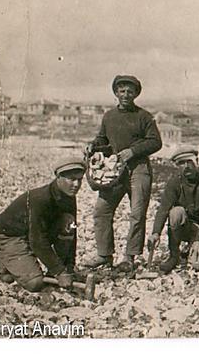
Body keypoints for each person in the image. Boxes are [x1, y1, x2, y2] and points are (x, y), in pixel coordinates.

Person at [84, 75, 162, 272]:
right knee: (102, 210)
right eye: (122, 91)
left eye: (130, 91)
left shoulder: (144, 116)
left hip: (139, 169)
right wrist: (93, 145)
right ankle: (104, 255)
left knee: (137, 213)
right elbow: (103, 139)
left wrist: (133, 151)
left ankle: (130, 256)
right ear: (116, 93)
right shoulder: (109, 116)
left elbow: (155, 142)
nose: (126, 95)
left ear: (136, 94)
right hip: (114, 169)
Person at [0, 157, 86, 292]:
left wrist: (69, 266)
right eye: (71, 179)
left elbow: (71, 231)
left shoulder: (69, 197)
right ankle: (9, 261)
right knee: (35, 283)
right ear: (58, 177)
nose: (76, 184)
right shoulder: (41, 199)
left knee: (68, 222)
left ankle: (23, 262)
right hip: (11, 236)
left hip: (34, 233)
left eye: (80, 179)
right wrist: (59, 271)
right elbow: (37, 240)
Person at [147, 146, 199, 274]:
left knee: (198, 264)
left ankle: (195, 247)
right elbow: (163, 209)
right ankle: (174, 255)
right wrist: (155, 233)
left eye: (189, 162)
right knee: (176, 212)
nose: (186, 166)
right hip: (184, 227)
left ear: (196, 162)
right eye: (181, 163)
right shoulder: (174, 183)